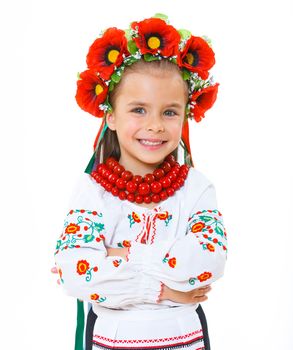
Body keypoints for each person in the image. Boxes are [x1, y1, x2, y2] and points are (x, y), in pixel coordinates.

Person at [53, 14, 227, 350]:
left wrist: (114, 254)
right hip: (113, 341)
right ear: (111, 116)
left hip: (184, 339)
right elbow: (74, 272)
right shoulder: (94, 191)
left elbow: (208, 259)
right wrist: (165, 290)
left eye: (169, 112)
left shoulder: (196, 187)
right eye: (139, 110)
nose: (156, 125)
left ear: (185, 116)